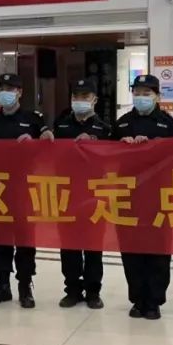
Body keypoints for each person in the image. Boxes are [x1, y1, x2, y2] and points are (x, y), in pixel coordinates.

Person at [113, 75, 173, 319]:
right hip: (128, 195)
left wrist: (153, 146)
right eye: (137, 93)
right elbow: (106, 156)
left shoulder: (169, 124)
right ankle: (137, 299)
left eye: (147, 93)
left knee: (158, 247)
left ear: (157, 96)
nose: (141, 97)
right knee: (130, 247)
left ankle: (154, 300)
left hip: (158, 194)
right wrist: (122, 145)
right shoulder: (122, 123)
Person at [0, 73, 50, 309]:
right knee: (0, 238)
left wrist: (38, 140)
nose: (5, 93)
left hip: (24, 187)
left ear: (20, 92)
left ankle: (25, 285)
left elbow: (49, 148)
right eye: (1, 88)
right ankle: (2, 285)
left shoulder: (34, 119)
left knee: (24, 238)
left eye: (10, 89)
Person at [51, 79, 112, 310]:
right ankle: (72, 290)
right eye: (76, 96)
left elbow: (112, 159)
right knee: (69, 245)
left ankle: (93, 291)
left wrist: (93, 143)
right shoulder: (61, 126)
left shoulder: (105, 129)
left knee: (93, 245)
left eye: (85, 97)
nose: (79, 101)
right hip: (67, 193)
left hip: (95, 194)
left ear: (95, 100)